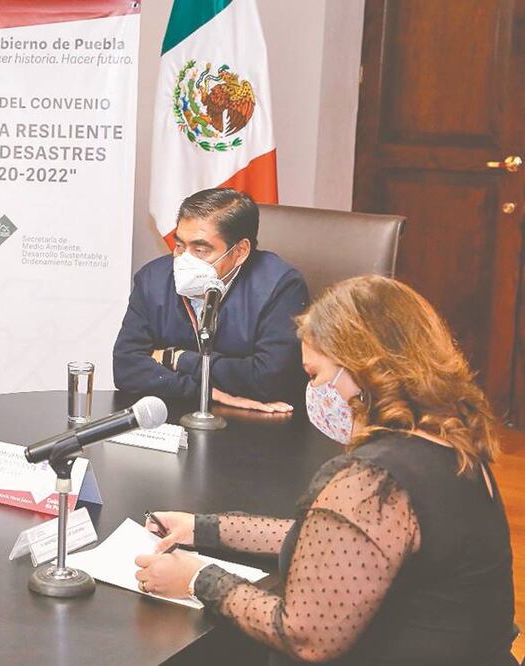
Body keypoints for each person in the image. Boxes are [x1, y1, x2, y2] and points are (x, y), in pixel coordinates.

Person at [135, 276, 515, 665]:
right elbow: (338, 541)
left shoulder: (375, 480)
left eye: (315, 375)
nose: (314, 391)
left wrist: (198, 579)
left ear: (361, 368)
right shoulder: (451, 446)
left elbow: (304, 634)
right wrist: (204, 528)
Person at [113, 188, 309, 412]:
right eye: (179, 246)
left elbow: (269, 378)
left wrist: (177, 358)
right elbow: (125, 367)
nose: (184, 259)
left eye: (200, 249)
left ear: (240, 251)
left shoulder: (281, 286)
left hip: (256, 420)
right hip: (177, 411)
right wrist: (205, 392)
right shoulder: (153, 279)